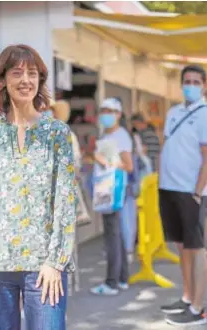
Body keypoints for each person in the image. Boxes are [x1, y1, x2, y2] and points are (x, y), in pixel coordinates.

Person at [0, 44, 77, 330]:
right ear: (2, 80)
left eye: (32, 73)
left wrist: (56, 261)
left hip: (43, 268)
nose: (25, 80)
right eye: (17, 72)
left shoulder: (57, 133)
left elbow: (65, 201)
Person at [158, 65, 207, 326]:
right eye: (187, 81)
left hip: (191, 193)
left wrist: (198, 191)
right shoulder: (173, 113)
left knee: (196, 249)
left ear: (204, 85)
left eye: (196, 81)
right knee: (182, 247)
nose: (191, 85)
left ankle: (198, 309)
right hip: (169, 189)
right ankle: (186, 297)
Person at [90, 97, 134, 296]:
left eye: (110, 111)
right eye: (103, 111)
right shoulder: (106, 134)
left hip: (114, 189)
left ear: (118, 114)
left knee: (112, 236)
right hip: (105, 189)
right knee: (115, 234)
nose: (105, 115)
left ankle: (111, 282)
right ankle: (122, 277)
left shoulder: (121, 135)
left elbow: (128, 165)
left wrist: (104, 161)